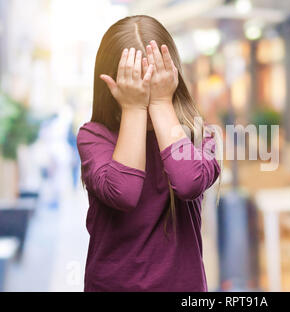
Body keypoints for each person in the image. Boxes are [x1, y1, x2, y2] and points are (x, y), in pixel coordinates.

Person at [77, 15, 220, 292]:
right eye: (135, 83)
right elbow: (123, 192)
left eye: (155, 82)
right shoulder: (94, 136)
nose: (145, 91)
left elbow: (188, 182)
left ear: (172, 76)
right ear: (111, 85)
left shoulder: (200, 135)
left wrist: (162, 101)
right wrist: (133, 109)